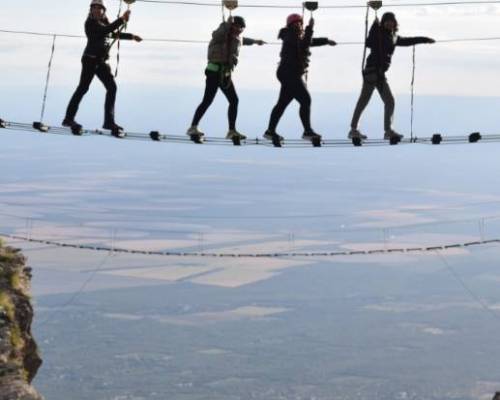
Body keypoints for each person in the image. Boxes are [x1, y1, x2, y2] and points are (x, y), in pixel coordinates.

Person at [349, 12, 435, 141]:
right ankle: (354, 130)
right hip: (372, 72)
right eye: (387, 21)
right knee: (364, 101)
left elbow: (408, 40)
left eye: (391, 21)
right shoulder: (378, 33)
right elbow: (369, 43)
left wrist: (424, 39)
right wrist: (374, 26)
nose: (389, 23)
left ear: (395, 23)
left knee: (389, 101)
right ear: (383, 23)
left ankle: (387, 131)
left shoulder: (394, 37)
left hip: (380, 74)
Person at [62, 0, 142, 137]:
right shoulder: (90, 24)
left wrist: (131, 36)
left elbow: (111, 33)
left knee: (112, 87)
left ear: (103, 11)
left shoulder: (103, 23)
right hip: (90, 60)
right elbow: (105, 31)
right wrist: (122, 19)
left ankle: (109, 122)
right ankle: (68, 119)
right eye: (95, 8)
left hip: (100, 61)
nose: (97, 10)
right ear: (91, 10)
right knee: (83, 88)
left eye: (100, 8)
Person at [187, 16, 265, 140]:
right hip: (215, 71)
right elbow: (218, 34)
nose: (239, 29)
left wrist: (256, 41)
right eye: (237, 26)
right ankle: (193, 127)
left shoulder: (236, 38)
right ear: (232, 25)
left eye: (241, 27)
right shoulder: (222, 35)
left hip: (225, 74)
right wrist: (227, 24)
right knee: (208, 100)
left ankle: (231, 131)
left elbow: (243, 40)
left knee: (233, 100)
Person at [264, 14, 336, 142]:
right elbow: (304, 44)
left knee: (282, 103)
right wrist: (310, 28)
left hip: (289, 73)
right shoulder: (290, 35)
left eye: (300, 23)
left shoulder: (295, 36)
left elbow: (308, 42)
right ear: (291, 26)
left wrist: (326, 41)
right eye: (296, 24)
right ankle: (307, 131)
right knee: (305, 100)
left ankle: (270, 131)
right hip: (289, 73)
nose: (299, 25)